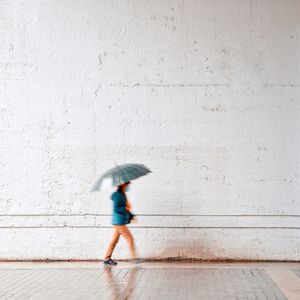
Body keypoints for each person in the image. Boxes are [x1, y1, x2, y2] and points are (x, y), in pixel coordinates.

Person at [103, 181, 137, 266]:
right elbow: (117, 208)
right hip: (119, 222)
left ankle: (107, 258)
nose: (128, 185)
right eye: (127, 184)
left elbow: (125, 208)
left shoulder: (122, 194)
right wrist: (126, 208)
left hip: (118, 221)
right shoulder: (118, 195)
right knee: (130, 238)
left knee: (114, 241)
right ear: (122, 184)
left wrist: (131, 215)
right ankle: (134, 258)